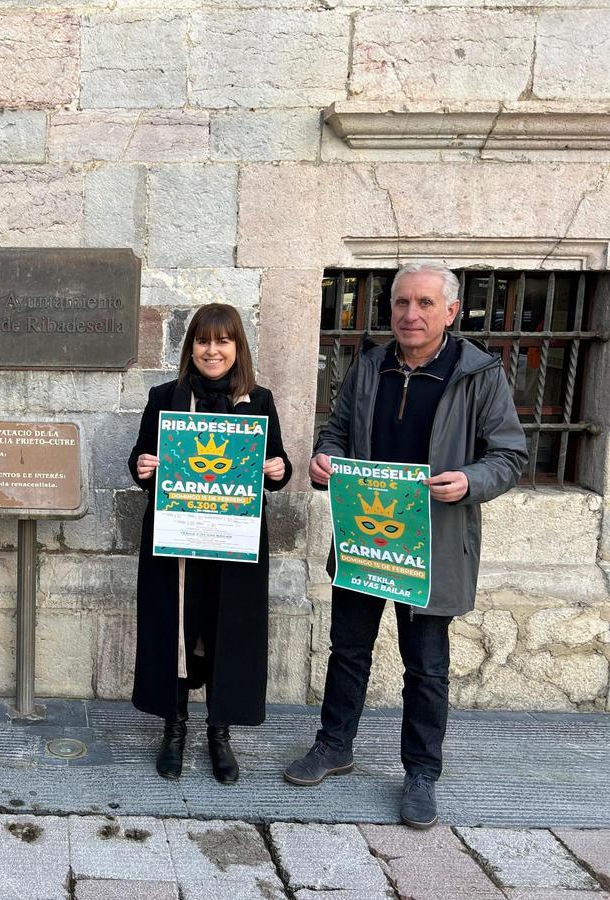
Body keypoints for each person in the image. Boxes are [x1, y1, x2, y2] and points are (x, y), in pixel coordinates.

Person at [284, 260, 526, 829]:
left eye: (423, 304)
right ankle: (334, 745)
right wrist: (325, 459)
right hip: (365, 536)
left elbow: (510, 456)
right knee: (348, 650)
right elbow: (337, 429)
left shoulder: (478, 374)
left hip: (433, 545)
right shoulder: (369, 365)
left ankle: (421, 773)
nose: (409, 314)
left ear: (450, 311)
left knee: (426, 667)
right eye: (400, 303)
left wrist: (470, 481)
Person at [128, 303, 291, 783]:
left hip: (235, 541)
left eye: (222, 341)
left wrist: (277, 470)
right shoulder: (165, 398)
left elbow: (277, 463)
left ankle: (219, 731)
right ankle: (174, 727)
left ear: (237, 347)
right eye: (203, 341)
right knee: (175, 629)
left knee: (229, 630)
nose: (212, 350)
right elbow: (140, 456)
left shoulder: (258, 401)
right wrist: (142, 466)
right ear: (191, 347)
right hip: (176, 540)